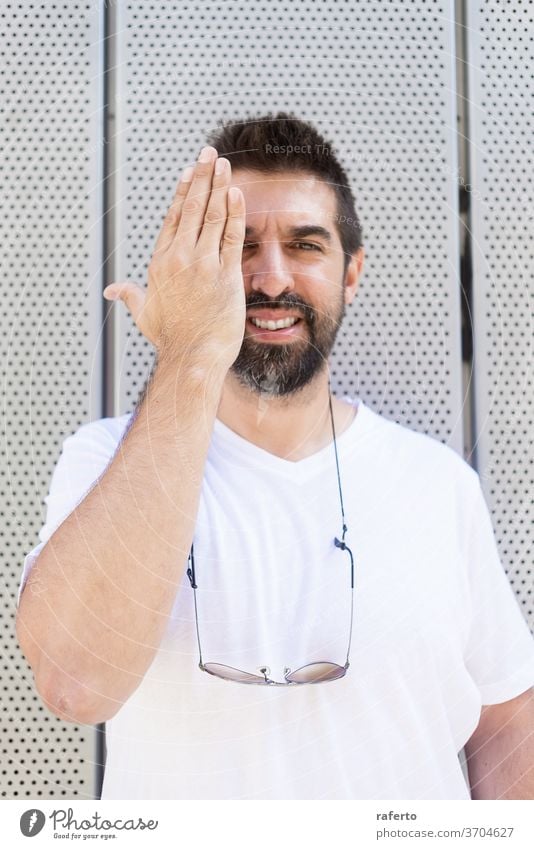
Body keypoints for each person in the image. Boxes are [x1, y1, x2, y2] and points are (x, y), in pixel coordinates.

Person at [16, 113, 534, 800]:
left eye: (305, 244)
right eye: (239, 246)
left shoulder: (439, 484)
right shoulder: (102, 460)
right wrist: (189, 350)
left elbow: (504, 717)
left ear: (352, 272)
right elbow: (75, 684)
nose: (270, 278)